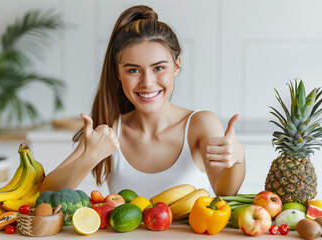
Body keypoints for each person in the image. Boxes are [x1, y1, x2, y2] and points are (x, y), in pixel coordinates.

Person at [40, 5, 245, 198]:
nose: (147, 82)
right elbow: (45, 193)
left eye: (158, 68)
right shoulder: (109, 130)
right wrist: (89, 157)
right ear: (118, 73)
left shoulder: (201, 124)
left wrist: (238, 158)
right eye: (133, 70)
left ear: (176, 66)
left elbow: (225, 192)